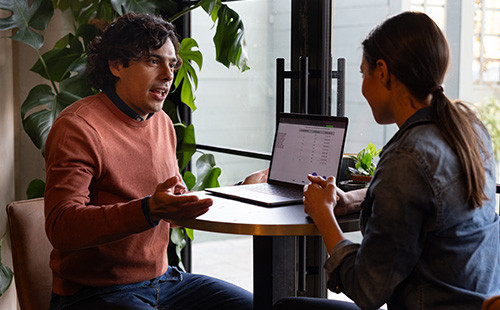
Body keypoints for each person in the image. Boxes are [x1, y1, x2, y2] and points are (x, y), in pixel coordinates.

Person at [274, 11, 500, 310]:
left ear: (382, 71)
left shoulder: (407, 158)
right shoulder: (469, 130)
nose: (364, 88)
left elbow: (367, 291)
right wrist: (350, 200)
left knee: (288, 307)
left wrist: (324, 215)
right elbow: (428, 198)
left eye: (363, 73)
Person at [44, 12, 255, 310]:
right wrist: (148, 209)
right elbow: (61, 226)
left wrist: (243, 190)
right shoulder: (78, 127)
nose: (169, 75)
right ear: (117, 65)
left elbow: (174, 204)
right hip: (93, 293)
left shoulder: (162, 122)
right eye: (154, 61)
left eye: (172, 64)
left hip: (165, 281)